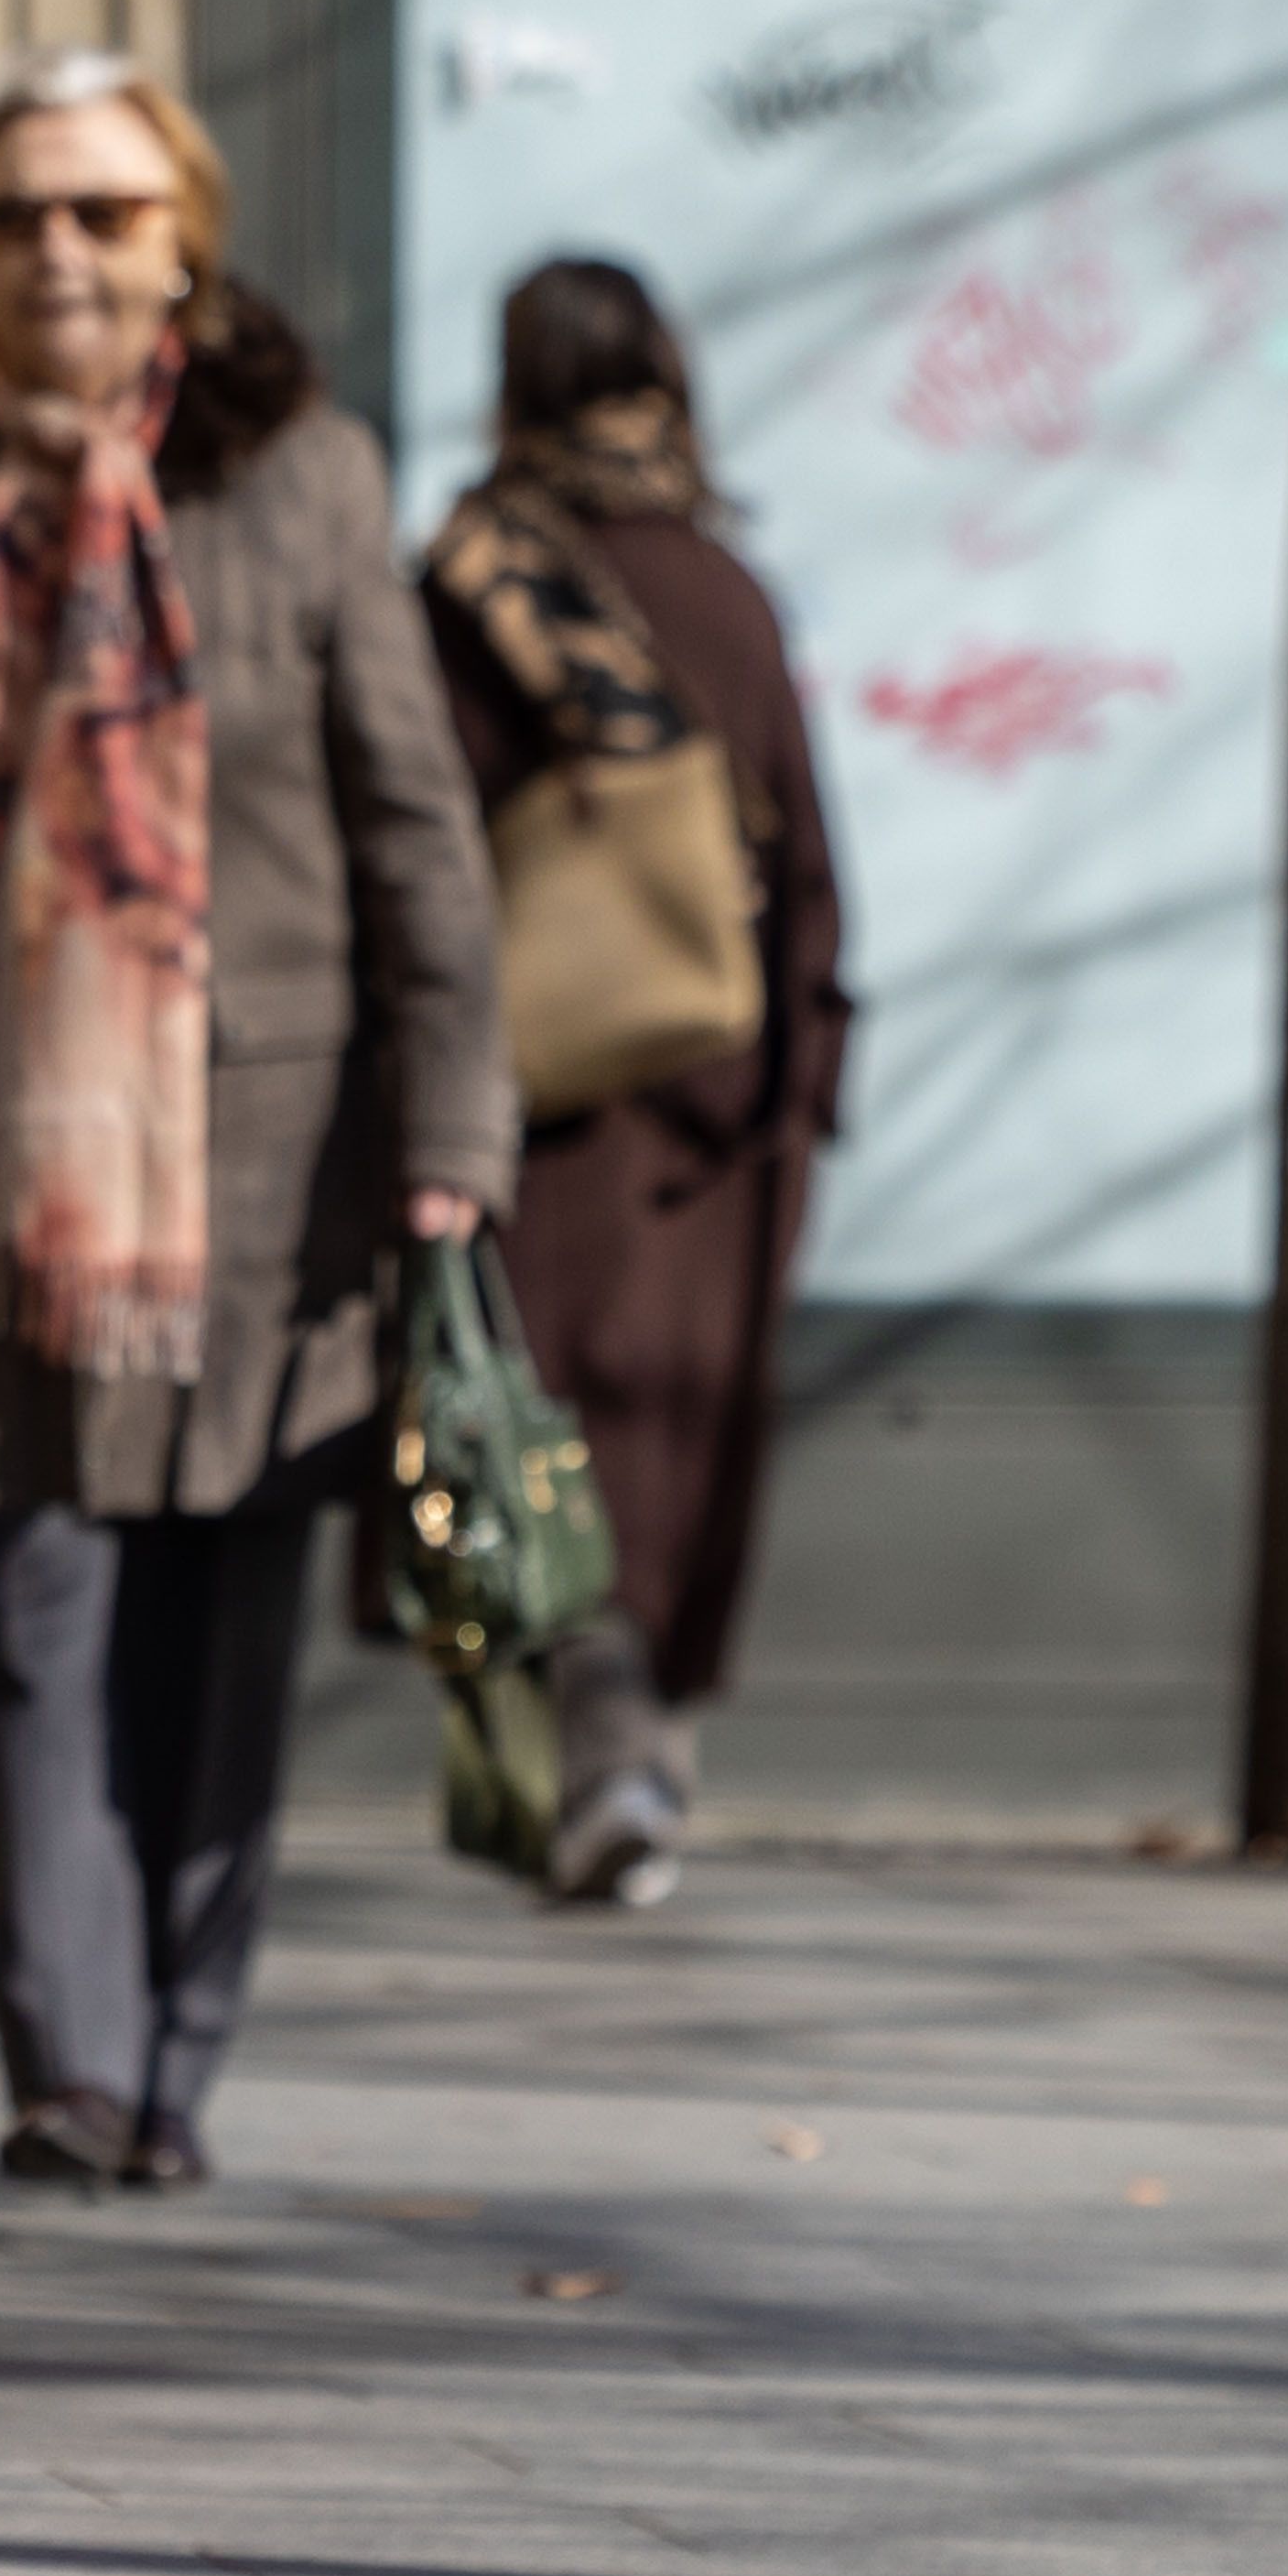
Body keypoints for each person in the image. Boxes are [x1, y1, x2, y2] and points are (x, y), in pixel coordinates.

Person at [0, 48, 515, 2196]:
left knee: (220, 1607)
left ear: (183, 242)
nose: (62, 249)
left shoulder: (293, 470)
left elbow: (415, 822)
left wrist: (450, 1132)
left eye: (105, 212)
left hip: (260, 1146)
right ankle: (68, 2062)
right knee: (20, 1594)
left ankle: (176, 2055)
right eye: (21, 209)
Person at [421, 255, 853, 1911]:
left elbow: (418, 840)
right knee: (678, 1450)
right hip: (719, 1109)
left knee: (538, 1437)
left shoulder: (468, 580)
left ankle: (587, 1765)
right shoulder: (725, 591)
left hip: (527, 1096)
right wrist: (804, 1084)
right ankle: (636, 1759)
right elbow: (809, 862)